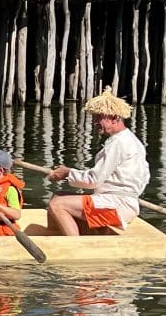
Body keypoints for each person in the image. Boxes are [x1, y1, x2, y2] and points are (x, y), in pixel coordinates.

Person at [46, 87, 151, 236]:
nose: (94, 122)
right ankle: (63, 235)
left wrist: (68, 173)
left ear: (114, 118)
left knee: (57, 205)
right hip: (119, 201)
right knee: (59, 195)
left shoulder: (118, 144)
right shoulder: (130, 141)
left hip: (117, 205)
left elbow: (93, 180)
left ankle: (74, 247)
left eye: (98, 117)